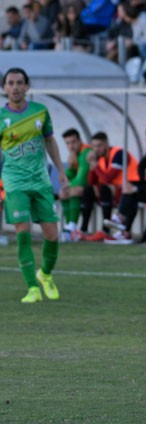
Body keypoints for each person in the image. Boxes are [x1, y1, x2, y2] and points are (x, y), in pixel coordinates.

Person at [0, 68, 68, 303]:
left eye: (20, 82)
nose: (15, 87)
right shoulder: (1, 117)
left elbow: (49, 140)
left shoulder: (40, 112)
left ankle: (45, 274)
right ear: (4, 88)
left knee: (52, 235)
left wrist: (60, 171)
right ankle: (32, 288)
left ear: (27, 87)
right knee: (23, 233)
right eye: (11, 83)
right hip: (14, 181)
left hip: (40, 181)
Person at [80, 131, 139, 239]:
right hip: (116, 190)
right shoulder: (101, 158)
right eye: (93, 147)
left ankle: (106, 229)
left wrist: (95, 165)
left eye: (99, 146)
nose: (96, 149)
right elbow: (91, 181)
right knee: (88, 190)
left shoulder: (119, 154)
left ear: (106, 144)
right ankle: (83, 229)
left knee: (104, 189)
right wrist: (91, 165)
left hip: (131, 189)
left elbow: (108, 179)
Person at [60, 128, 92, 241]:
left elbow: (82, 179)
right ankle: (69, 226)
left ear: (80, 141)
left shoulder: (86, 152)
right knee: (62, 194)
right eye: (67, 143)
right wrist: (69, 166)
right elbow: (70, 176)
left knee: (73, 190)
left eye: (73, 142)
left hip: (94, 187)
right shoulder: (75, 155)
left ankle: (72, 226)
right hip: (85, 188)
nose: (71, 146)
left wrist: (68, 186)